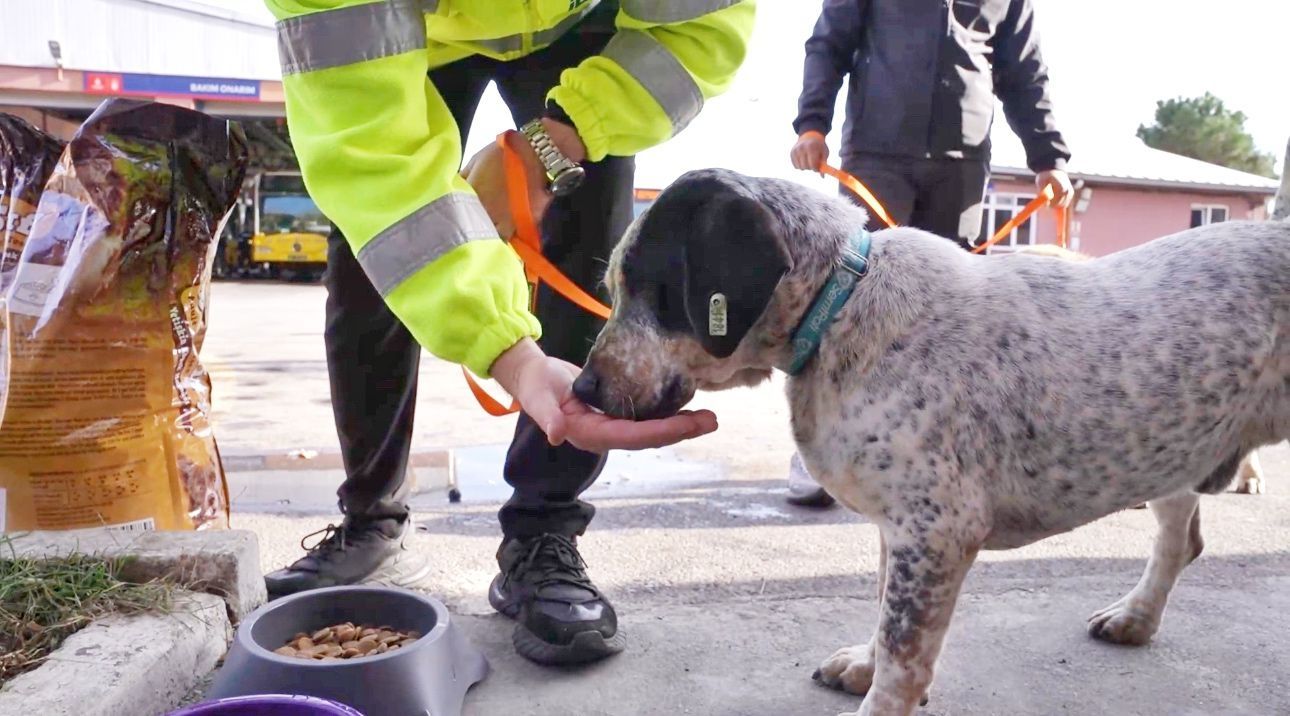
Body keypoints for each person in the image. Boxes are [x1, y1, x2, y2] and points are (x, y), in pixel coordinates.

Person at [260, 0, 754, 665]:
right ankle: (372, 519)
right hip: (416, 31)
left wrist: (558, 141)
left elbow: (700, 26)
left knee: (589, 237)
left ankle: (542, 530)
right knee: (373, 253)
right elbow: (374, 163)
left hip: (583, 23)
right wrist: (512, 355)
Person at [784, 0, 1074, 507]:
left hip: (961, 163)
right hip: (877, 153)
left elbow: (1024, 70)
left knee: (951, 317)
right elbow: (829, 42)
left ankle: (934, 447)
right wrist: (812, 124)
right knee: (851, 303)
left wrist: (1049, 156)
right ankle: (820, 444)